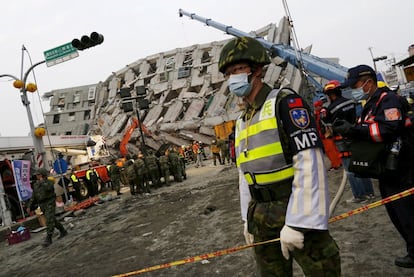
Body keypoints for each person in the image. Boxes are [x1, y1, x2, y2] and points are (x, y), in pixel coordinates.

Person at [218, 36, 341, 276]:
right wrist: (247, 218)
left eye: (238, 69)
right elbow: (245, 176)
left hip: (293, 208)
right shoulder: (242, 119)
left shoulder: (285, 103)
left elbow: (310, 163)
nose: (233, 77)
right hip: (261, 216)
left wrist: (299, 222)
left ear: (257, 70)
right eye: (229, 73)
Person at [334, 64, 414, 268]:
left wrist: (355, 130)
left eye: (355, 85)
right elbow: (368, 128)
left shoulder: (387, 99)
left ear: (367, 82)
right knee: (397, 213)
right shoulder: (370, 103)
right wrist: (352, 129)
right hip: (387, 171)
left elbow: (389, 128)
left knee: (407, 213)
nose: (352, 89)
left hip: (402, 169)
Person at [323, 80, 375, 203]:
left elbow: (329, 128)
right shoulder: (351, 102)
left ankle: (359, 196)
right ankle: (370, 193)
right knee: (361, 165)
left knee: (350, 170)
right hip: (356, 137)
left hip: (343, 142)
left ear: (330, 94)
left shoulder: (331, 109)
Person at [26, 168, 67, 247]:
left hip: (49, 202)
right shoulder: (36, 184)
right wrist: (29, 206)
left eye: (39, 174)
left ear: (43, 175)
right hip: (42, 205)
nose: (37, 176)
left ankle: (48, 238)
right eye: (37, 175)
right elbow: (34, 196)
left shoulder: (49, 182)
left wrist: (43, 182)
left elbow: (49, 188)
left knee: (49, 220)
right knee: (52, 220)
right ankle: (63, 230)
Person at [313, 99, 342, 171]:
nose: (315, 108)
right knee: (330, 149)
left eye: (316, 107)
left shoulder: (322, 112)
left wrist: (316, 113)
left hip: (326, 134)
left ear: (319, 106)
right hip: (323, 134)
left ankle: (336, 164)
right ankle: (337, 162)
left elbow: (324, 119)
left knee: (330, 149)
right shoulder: (318, 113)